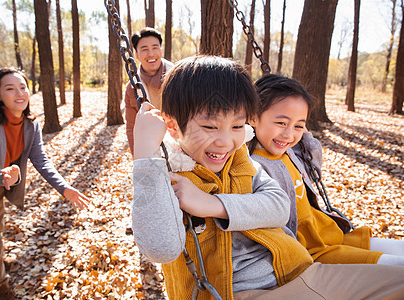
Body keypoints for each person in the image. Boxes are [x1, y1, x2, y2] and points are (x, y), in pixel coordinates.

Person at [131, 56, 404, 300]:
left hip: (298, 269)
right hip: (240, 290)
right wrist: (145, 154)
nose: (225, 141)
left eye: (237, 126)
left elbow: (278, 206)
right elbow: (161, 249)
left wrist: (212, 204)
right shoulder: (165, 174)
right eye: (210, 126)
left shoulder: (240, 159)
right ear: (172, 125)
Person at [248, 73, 404, 266]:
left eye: (299, 125)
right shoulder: (253, 166)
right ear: (253, 117)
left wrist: (305, 136)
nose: (288, 134)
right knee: (396, 267)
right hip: (311, 250)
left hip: (331, 233)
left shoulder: (287, 153)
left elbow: (313, 168)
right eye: (281, 123)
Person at [0, 67, 89, 299]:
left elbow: (41, 161)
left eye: (23, 87)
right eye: (10, 89)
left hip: (0, 188)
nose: (19, 93)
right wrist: (3, 175)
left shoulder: (30, 124)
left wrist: (64, 188)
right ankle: (0, 288)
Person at [124, 27, 174, 155]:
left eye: (155, 48)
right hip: (152, 148)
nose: (151, 54)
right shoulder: (132, 87)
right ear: (136, 55)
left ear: (160, 50)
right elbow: (131, 127)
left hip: (183, 146)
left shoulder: (178, 76)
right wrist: (138, 158)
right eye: (144, 49)